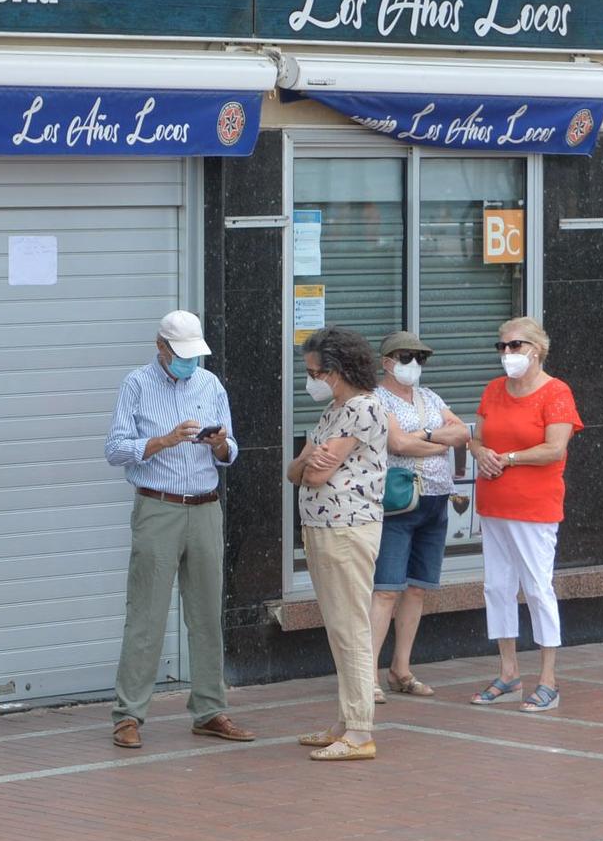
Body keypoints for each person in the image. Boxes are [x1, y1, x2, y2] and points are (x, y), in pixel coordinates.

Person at [101, 311, 254, 749]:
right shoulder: (136, 384)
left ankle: (209, 709)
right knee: (146, 614)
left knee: (207, 614)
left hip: (206, 507)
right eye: (182, 355)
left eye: (195, 355)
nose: (190, 363)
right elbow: (114, 449)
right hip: (158, 506)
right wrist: (163, 441)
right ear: (161, 347)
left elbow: (232, 449)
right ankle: (128, 715)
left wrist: (220, 444)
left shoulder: (210, 385)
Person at [468, 317, 583, 713]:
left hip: (534, 508)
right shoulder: (494, 390)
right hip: (494, 504)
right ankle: (508, 672)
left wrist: (510, 458)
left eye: (515, 346)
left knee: (537, 587)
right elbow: (477, 436)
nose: (507, 354)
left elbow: (555, 448)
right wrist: (479, 452)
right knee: (497, 587)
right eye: (501, 347)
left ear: (536, 349)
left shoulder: (557, 392)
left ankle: (548, 680)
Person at [287, 326, 389, 762]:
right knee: (339, 626)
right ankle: (347, 720)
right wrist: (309, 460)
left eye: (314, 372)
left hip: (347, 529)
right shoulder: (335, 409)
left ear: (336, 370)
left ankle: (361, 729)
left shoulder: (362, 409)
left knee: (351, 628)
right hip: (323, 527)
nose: (310, 379)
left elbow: (313, 474)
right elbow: (295, 470)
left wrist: (310, 462)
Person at [370, 330, 469, 702]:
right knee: (385, 591)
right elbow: (397, 443)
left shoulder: (430, 396)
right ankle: (368, 676)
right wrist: (435, 437)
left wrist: (425, 435)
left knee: (416, 588)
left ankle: (401, 669)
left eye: (420, 358)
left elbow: (461, 432)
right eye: (407, 357)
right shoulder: (377, 400)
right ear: (388, 362)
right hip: (398, 504)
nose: (415, 365)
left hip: (435, 501)